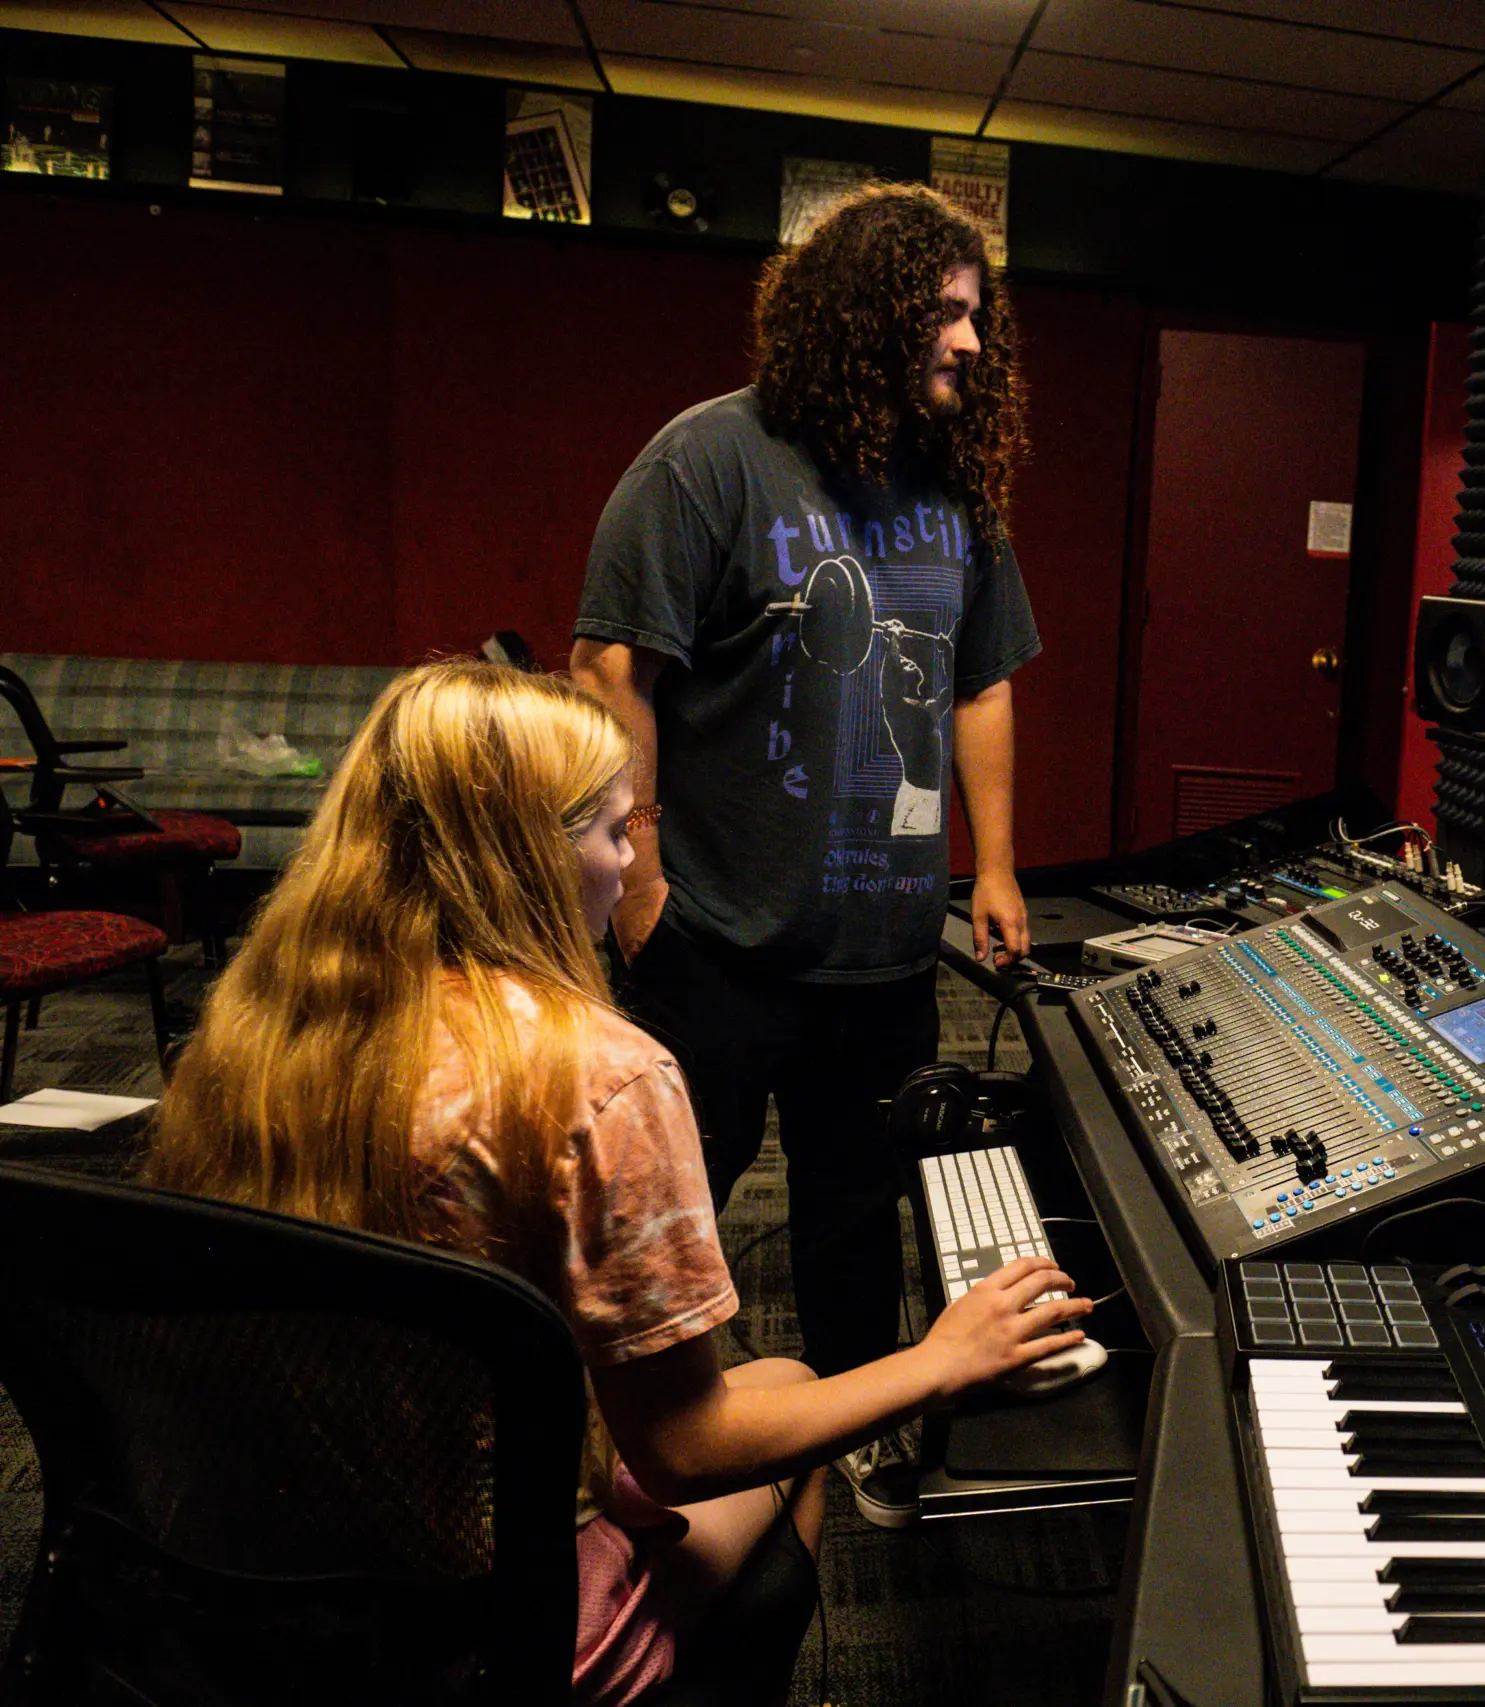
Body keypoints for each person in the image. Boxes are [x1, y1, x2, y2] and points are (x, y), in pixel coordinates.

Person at [147, 662, 1091, 1706]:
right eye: (609, 830)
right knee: (788, 1405)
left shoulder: (251, 1025)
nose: (630, 858)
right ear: (526, 860)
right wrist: (940, 1360)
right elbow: (689, 1452)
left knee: (742, 1393)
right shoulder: (597, 1075)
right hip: (474, 1633)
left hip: (237, 1587)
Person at [569, 185, 1039, 1526]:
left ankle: (851, 1438)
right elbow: (617, 667)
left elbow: (983, 685)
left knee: (853, 1222)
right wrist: (645, 883)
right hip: (715, 944)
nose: (967, 339)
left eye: (976, 316)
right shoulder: (705, 460)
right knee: (669, 1235)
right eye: (943, 312)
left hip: (883, 956)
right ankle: (648, 1457)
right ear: (863, 314)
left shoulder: (957, 494)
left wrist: (992, 866)